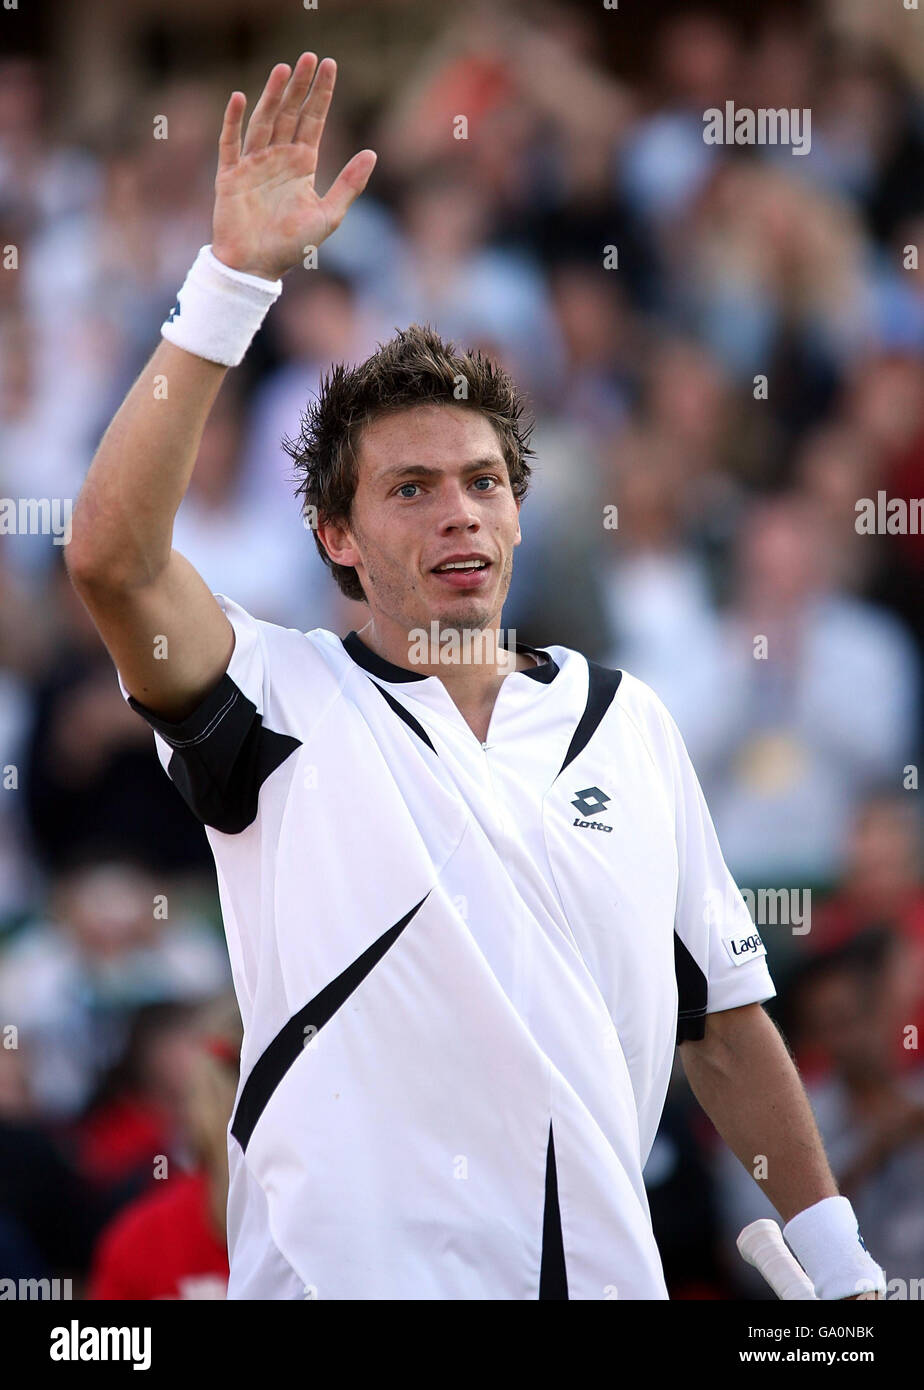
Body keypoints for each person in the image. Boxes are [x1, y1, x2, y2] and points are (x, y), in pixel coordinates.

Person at [65, 54, 885, 1301]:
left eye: (484, 482)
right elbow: (114, 560)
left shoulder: (628, 719)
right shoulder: (276, 702)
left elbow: (720, 1021)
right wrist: (231, 282)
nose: (460, 515)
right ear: (336, 536)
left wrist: (843, 1269)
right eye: (409, 488)